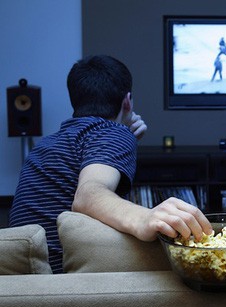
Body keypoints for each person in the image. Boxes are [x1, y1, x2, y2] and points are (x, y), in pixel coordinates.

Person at [9, 55, 212, 273]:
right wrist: (146, 217)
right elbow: (88, 196)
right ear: (127, 101)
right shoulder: (114, 133)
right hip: (63, 274)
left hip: (26, 273)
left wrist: (126, 138)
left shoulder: (44, 145)